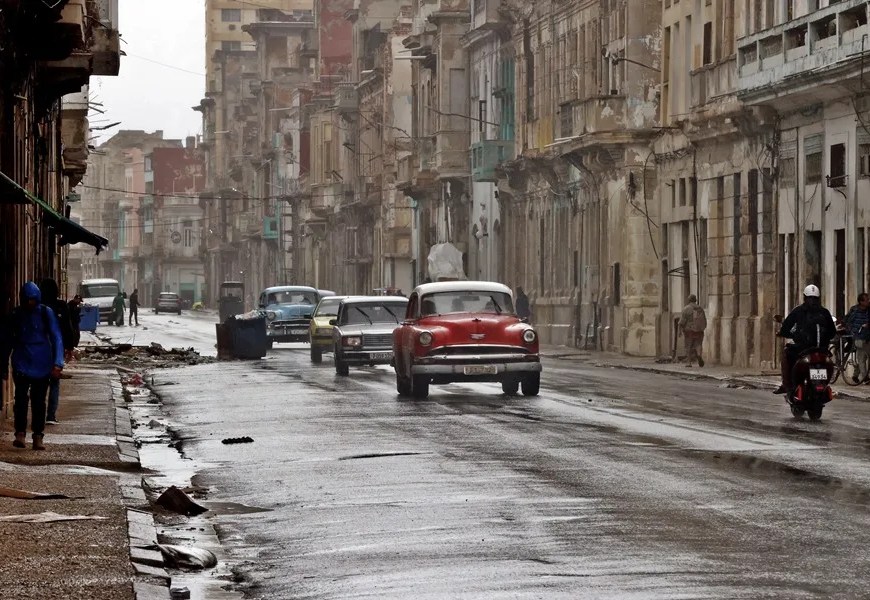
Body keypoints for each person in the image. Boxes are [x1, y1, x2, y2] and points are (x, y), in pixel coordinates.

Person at [0, 282, 64, 450]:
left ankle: (37, 435)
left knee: (38, 401)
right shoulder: (16, 314)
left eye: (32, 301)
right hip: (21, 361)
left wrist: (58, 362)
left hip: (42, 362)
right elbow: (7, 340)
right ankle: (20, 433)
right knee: (20, 400)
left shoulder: (45, 313)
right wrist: (3, 364)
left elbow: (56, 336)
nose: (30, 304)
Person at [774, 284, 837, 394]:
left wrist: (792, 335)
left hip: (803, 349)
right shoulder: (825, 312)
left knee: (786, 353)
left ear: (804, 297)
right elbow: (832, 332)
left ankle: (786, 385)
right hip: (822, 350)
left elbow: (785, 329)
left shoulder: (798, 311)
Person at [39, 278, 75, 425]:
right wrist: (69, 348)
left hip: (39, 350)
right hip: (56, 350)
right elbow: (68, 328)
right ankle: (51, 415)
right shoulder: (61, 306)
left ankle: (40, 415)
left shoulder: (38, 307)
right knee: (54, 382)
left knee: (40, 383)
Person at [844, 292, 870, 383]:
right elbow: (846, 321)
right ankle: (865, 378)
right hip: (858, 337)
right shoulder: (854, 310)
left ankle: (855, 375)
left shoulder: (868, 310)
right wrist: (852, 331)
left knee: (862, 357)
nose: (868, 301)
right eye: (866, 300)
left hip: (867, 337)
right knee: (862, 357)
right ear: (861, 302)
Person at [678, 294, 707, 367]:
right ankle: (699, 355)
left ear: (689, 300)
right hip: (699, 330)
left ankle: (689, 362)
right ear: (695, 300)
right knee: (698, 344)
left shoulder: (686, 309)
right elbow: (704, 320)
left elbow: (682, 322)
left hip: (689, 330)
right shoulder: (700, 308)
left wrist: (679, 331)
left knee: (688, 346)